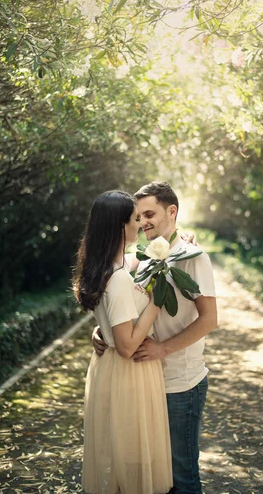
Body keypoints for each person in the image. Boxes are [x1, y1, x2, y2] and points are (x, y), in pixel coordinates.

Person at [93, 182, 217, 494]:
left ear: (171, 211)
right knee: (149, 477)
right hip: (143, 385)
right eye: (137, 216)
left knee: (181, 477)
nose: (142, 221)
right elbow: (120, 304)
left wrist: (162, 348)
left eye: (149, 214)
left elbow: (210, 319)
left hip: (180, 384)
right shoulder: (141, 257)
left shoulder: (194, 258)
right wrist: (101, 332)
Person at [74, 190, 173, 494]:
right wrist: (156, 303)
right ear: (120, 226)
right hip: (129, 373)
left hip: (112, 370)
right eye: (135, 218)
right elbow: (128, 345)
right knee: (130, 465)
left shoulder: (111, 267)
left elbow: (138, 259)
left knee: (119, 462)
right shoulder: (116, 279)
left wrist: (177, 243)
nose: (141, 223)